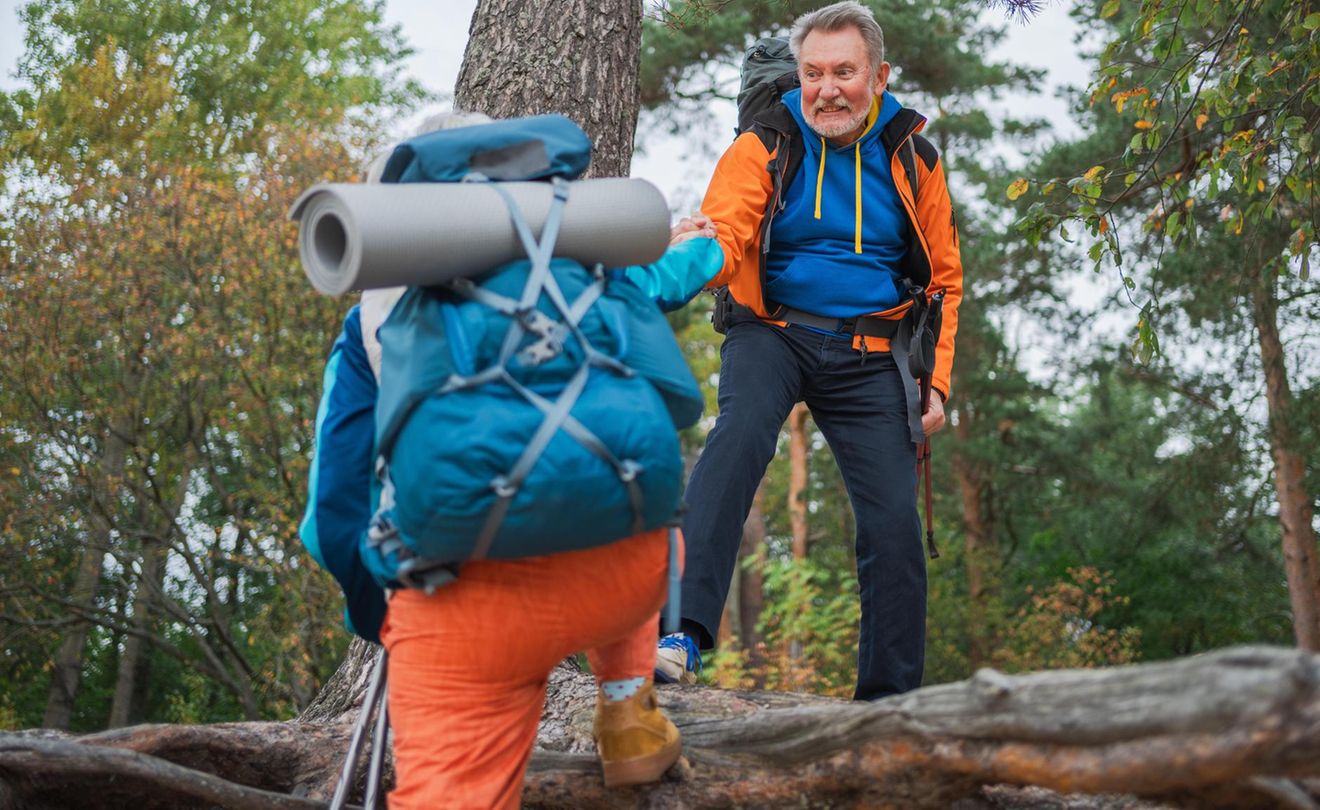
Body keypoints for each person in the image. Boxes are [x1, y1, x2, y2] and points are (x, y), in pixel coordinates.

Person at [301, 111, 722, 809]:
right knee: (624, 487)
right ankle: (628, 715)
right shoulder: (587, 275)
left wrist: (386, 620)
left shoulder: (373, 323)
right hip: (625, 579)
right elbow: (673, 299)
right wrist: (702, 247)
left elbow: (333, 515)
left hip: (466, 611)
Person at [655, 1, 964, 701]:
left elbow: (944, 280)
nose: (827, 90)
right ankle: (679, 636)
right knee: (736, 441)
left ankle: (889, 703)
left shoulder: (913, 154)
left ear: (878, 75)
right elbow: (726, 231)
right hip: (774, 332)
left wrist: (935, 382)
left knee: (893, 520)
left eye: (845, 73)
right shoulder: (765, 141)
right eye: (813, 73)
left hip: (872, 350)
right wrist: (677, 271)